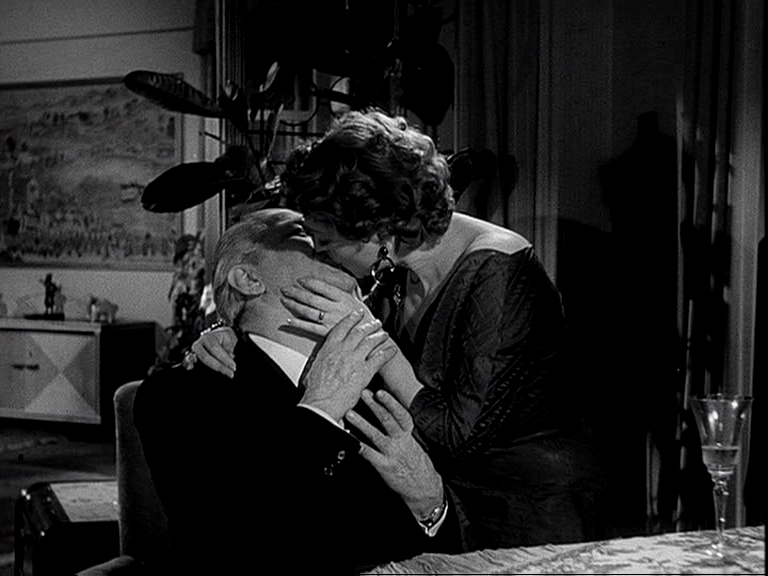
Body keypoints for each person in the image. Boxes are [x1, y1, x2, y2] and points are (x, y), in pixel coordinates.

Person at [191, 109, 608, 550]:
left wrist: (378, 341)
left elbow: (459, 437)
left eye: (326, 241)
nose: (321, 255)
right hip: (442, 499)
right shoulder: (394, 264)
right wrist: (227, 328)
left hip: (533, 507)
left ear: (375, 230)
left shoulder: (497, 271)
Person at [134, 209, 468, 574]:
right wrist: (320, 411)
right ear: (248, 279)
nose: (333, 243)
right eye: (305, 234)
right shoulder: (180, 396)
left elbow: (456, 555)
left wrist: (431, 505)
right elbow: (227, 547)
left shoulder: (385, 381)